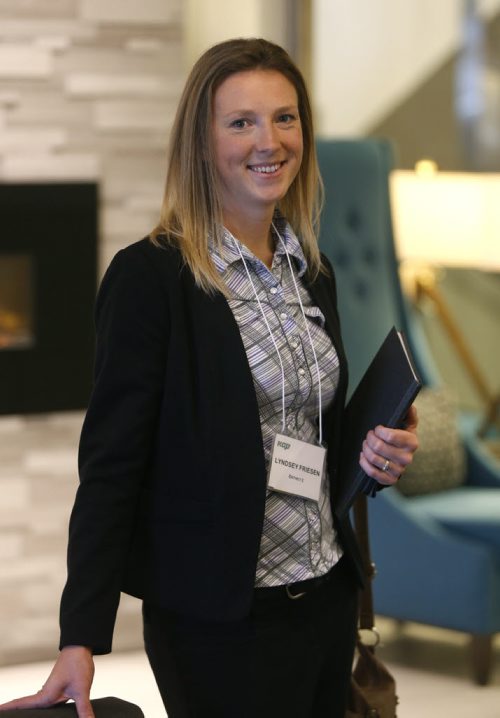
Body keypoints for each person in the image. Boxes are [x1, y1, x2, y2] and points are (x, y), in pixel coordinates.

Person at [0, 38, 418, 718]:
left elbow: (314, 438)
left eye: (285, 118)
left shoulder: (312, 268)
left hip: (325, 598)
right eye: (241, 122)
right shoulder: (151, 280)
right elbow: (110, 467)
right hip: (216, 622)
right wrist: (80, 637)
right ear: (200, 142)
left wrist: (374, 451)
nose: (269, 141)